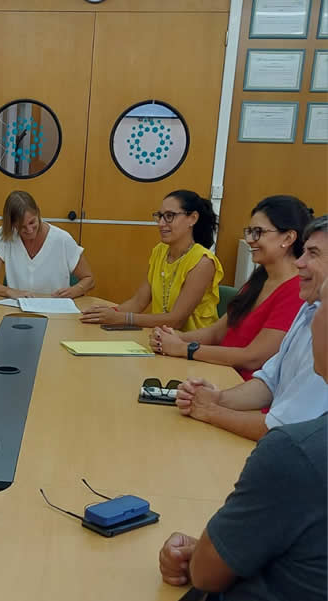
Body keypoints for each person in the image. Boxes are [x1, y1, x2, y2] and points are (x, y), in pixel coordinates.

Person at [158, 278, 328, 601]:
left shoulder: (294, 453)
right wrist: (217, 399)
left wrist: (209, 552)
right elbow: (270, 378)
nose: (313, 316)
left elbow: (205, 574)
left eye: (323, 307)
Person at [175, 215, 328, 441]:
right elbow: (270, 381)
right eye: (303, 252)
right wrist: (217, 398)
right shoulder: (309, 307)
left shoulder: (312, 313)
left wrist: (211, 411)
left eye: (312, 254)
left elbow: (286, 429)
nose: (299, 262)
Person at [150, 196, 311, 380]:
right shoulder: (259, 280)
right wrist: (171, 337)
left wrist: (183, 348)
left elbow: (253, 358)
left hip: (244, 387)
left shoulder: (296, 291)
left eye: (258, 232)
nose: (250, 240)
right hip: (218, 374)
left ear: (288, 238)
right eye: (249, 232)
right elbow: (216, 333)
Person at [81, 190, 223, 331]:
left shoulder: (203, 262)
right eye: (160, 216)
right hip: (161, 338)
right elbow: (138, 302)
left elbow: (176, 320)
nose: (161, 223)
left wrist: (121, 318)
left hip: (191, 342)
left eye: (169, 216)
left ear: (192, 218)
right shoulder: (160, 251)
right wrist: (106, 313)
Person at [0, 190, 94, 298]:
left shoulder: (62, 239)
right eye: (22, 227)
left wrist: (75, 290)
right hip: (18, 308)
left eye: (32, 222)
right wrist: (10, 292)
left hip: (55, 308)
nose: (29, 230)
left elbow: (89, 279)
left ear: (38, 213)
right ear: (12, 225)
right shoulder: (5, 235)